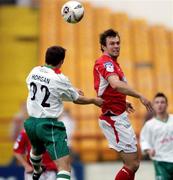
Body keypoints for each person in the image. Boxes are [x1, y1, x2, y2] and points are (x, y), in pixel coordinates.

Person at [24, 45, 103, 180]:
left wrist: (69, 89)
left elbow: (50, 90)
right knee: (64, 168)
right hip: (49, 125)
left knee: (37, 150)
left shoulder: (34, 71)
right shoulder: (60, 80)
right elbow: (77, 99)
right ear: (61, 62)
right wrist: (93, 100)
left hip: (31, 123)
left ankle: (37, 169)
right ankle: (39, 169)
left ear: (46, 57)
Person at [93, 29, 153, 180]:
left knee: (134, 163)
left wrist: (122, 101)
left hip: (118, 114)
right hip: (113, 118)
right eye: (111, 43)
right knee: (132, 164)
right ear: (103, 47)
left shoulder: (113, 63)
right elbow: (115, 84)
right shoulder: (105, 62)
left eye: (118, 43)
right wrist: (139, 95)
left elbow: (106, 89)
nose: (116, 46)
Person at [140, 92, 173, 180]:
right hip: (160, 160)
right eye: (157, 102)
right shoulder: (150, 124)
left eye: (162, 102)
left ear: (167, 104)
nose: (160, 105)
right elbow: (144, 140)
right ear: (153, 105)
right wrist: (149, 149)